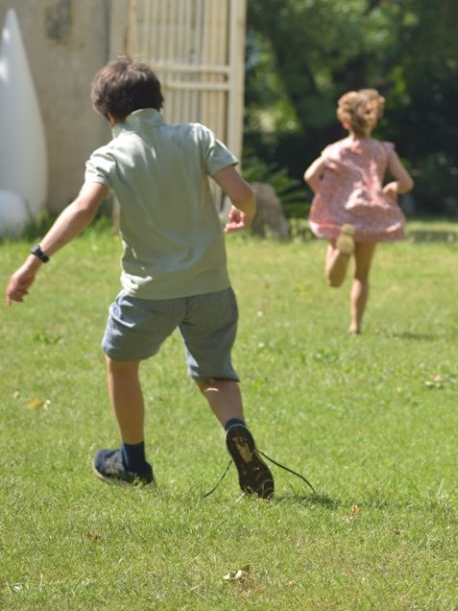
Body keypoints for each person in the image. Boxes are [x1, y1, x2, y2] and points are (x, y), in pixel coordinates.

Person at [5, 56, 273, 497]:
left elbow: (82, 210)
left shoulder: (110, 154)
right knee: (216, 374)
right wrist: (244, 214)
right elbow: (243, 194)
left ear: (108, 114)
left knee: (122, 364)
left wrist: (35, 259)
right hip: (211, 286)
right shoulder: (196, 136)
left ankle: (133, 463)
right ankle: (236, 427)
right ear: (158, 101)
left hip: (149, 292)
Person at [304, 88, 413, 334]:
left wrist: (327, 195)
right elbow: (406, 183)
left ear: (345, 122)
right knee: (361, 275)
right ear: (372, 120)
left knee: (333, 280)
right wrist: (392, 187)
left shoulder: (335, 149)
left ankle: (342, 252)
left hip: (342, 214)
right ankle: (355, 326)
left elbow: (310, 175)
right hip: (370, 212)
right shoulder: (383, 150)